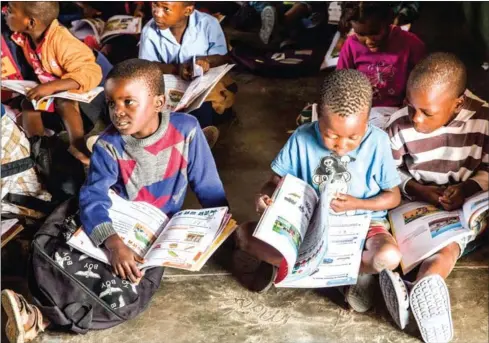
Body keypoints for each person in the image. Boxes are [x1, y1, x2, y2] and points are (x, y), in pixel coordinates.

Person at [1, 58, 229, 343]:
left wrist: (220, 228)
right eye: (111, 103)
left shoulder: (188, 130)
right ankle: (38, 316)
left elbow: (208, 186)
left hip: (154, 230)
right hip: (114, 218)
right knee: (59, 252)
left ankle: (38, 318)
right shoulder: (108, 144)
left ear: (159, 102)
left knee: (126, 288)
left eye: (129, 102)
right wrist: (113, 242)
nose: (117, 112)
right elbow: (94, 195)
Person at [233, 70, 402, 313]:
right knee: (244, 236)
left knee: (387, 256)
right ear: (318, 117)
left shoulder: (378, 142)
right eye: (331, 135)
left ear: (367, 122)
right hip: (307, 229)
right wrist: (265, 198)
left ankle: (356, 273)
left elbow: (393, 196)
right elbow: (274, 182)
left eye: (353, 137)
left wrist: (356, 203)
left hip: (362, 227)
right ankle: (328, 271)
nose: (342, 147)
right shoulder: (301, 138)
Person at [382, 52, 489, 343]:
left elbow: (488, 170)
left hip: (461, 205)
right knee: (390, 237)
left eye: (427, 112)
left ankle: (424, 285)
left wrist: (467, 189)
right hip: (414, 199)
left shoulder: (484, 120)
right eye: (410, 105)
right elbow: (387, 173)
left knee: (449, 245)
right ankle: (406, 284)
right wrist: (416, 188)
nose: (416, 118)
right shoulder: (399, 125)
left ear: (458, 103)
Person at [4, 1, 105, 165]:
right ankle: (40, 147)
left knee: (63, 102)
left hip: (81, 96)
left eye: (10, 11)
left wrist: (51, 86)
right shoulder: (24, 37)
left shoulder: (62, 41)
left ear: (31, 22)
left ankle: (77, 144)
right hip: (49, 90)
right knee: (28, 104)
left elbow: (91, 72)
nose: (5, 14)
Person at [138, 1, 237, 148]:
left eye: (166, 8)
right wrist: (176, 69)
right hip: (172, 83)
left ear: (188, 11)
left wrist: (207, 61)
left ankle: (198, 140)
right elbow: (147, 65)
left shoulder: (208, 24)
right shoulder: (149, 30)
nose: (157, 12)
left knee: (205, 104)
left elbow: (223, 57)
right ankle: (179, 140)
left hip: (203, 82)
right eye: (155, 5)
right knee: (153, 102)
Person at [336, 1, 425, 127]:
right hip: (363, 111)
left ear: (388, 22)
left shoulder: (411, 44)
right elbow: (341, 84)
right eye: (361, 34)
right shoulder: (350, 46)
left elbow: (424, 83)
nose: (369, 40)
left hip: (402, 111)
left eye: (374, 33)